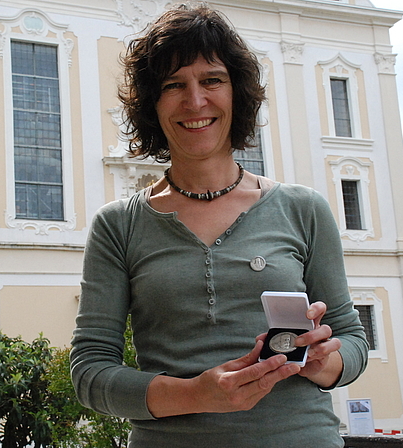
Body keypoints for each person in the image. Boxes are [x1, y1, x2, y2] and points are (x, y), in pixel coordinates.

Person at [70, 3, 369, 447]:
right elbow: (90, 371)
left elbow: (352, 340)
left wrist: (323, 361)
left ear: (238, 93)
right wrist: (195, 394)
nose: (195, 101)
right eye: (174, 85)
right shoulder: (118, 226)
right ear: (152, 104)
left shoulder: (302, 208)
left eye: (212, 80)